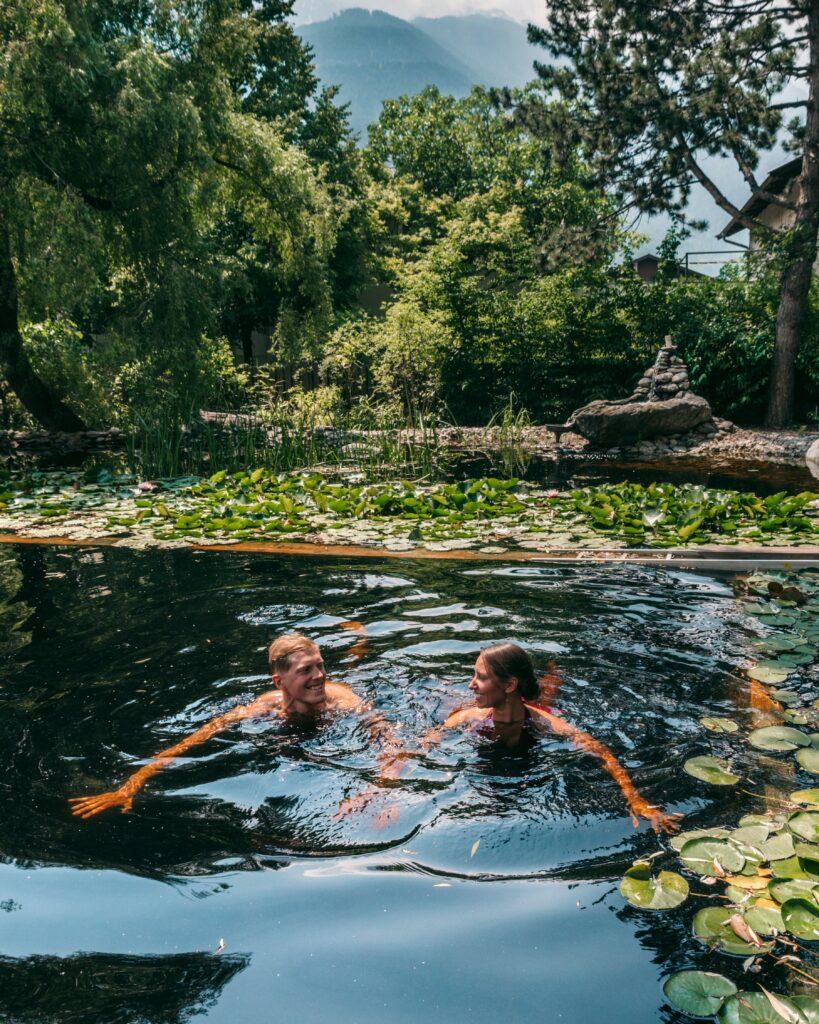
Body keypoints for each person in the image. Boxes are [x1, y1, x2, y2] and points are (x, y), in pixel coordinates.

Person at [344, 642, 682, 835]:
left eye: (480, 677)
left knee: (547, 695)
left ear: (508, 685)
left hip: (526, 723)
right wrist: (377, 792)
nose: (471, 684)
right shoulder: (466, 718)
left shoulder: (547, 724)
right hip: (490, 731)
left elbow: (603, 753)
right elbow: (413, 752)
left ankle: (555, 674)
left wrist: (635, 799)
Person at [69, 629, 395, 820]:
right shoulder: (261, 709)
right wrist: (129, 787)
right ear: (279, 681)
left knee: (353, 668)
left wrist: (378, 793)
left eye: (320, 666)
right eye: (306, 670)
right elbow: (186, 744)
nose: (319, 676)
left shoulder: (345, 703)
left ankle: (359, 639)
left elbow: (393, 745)